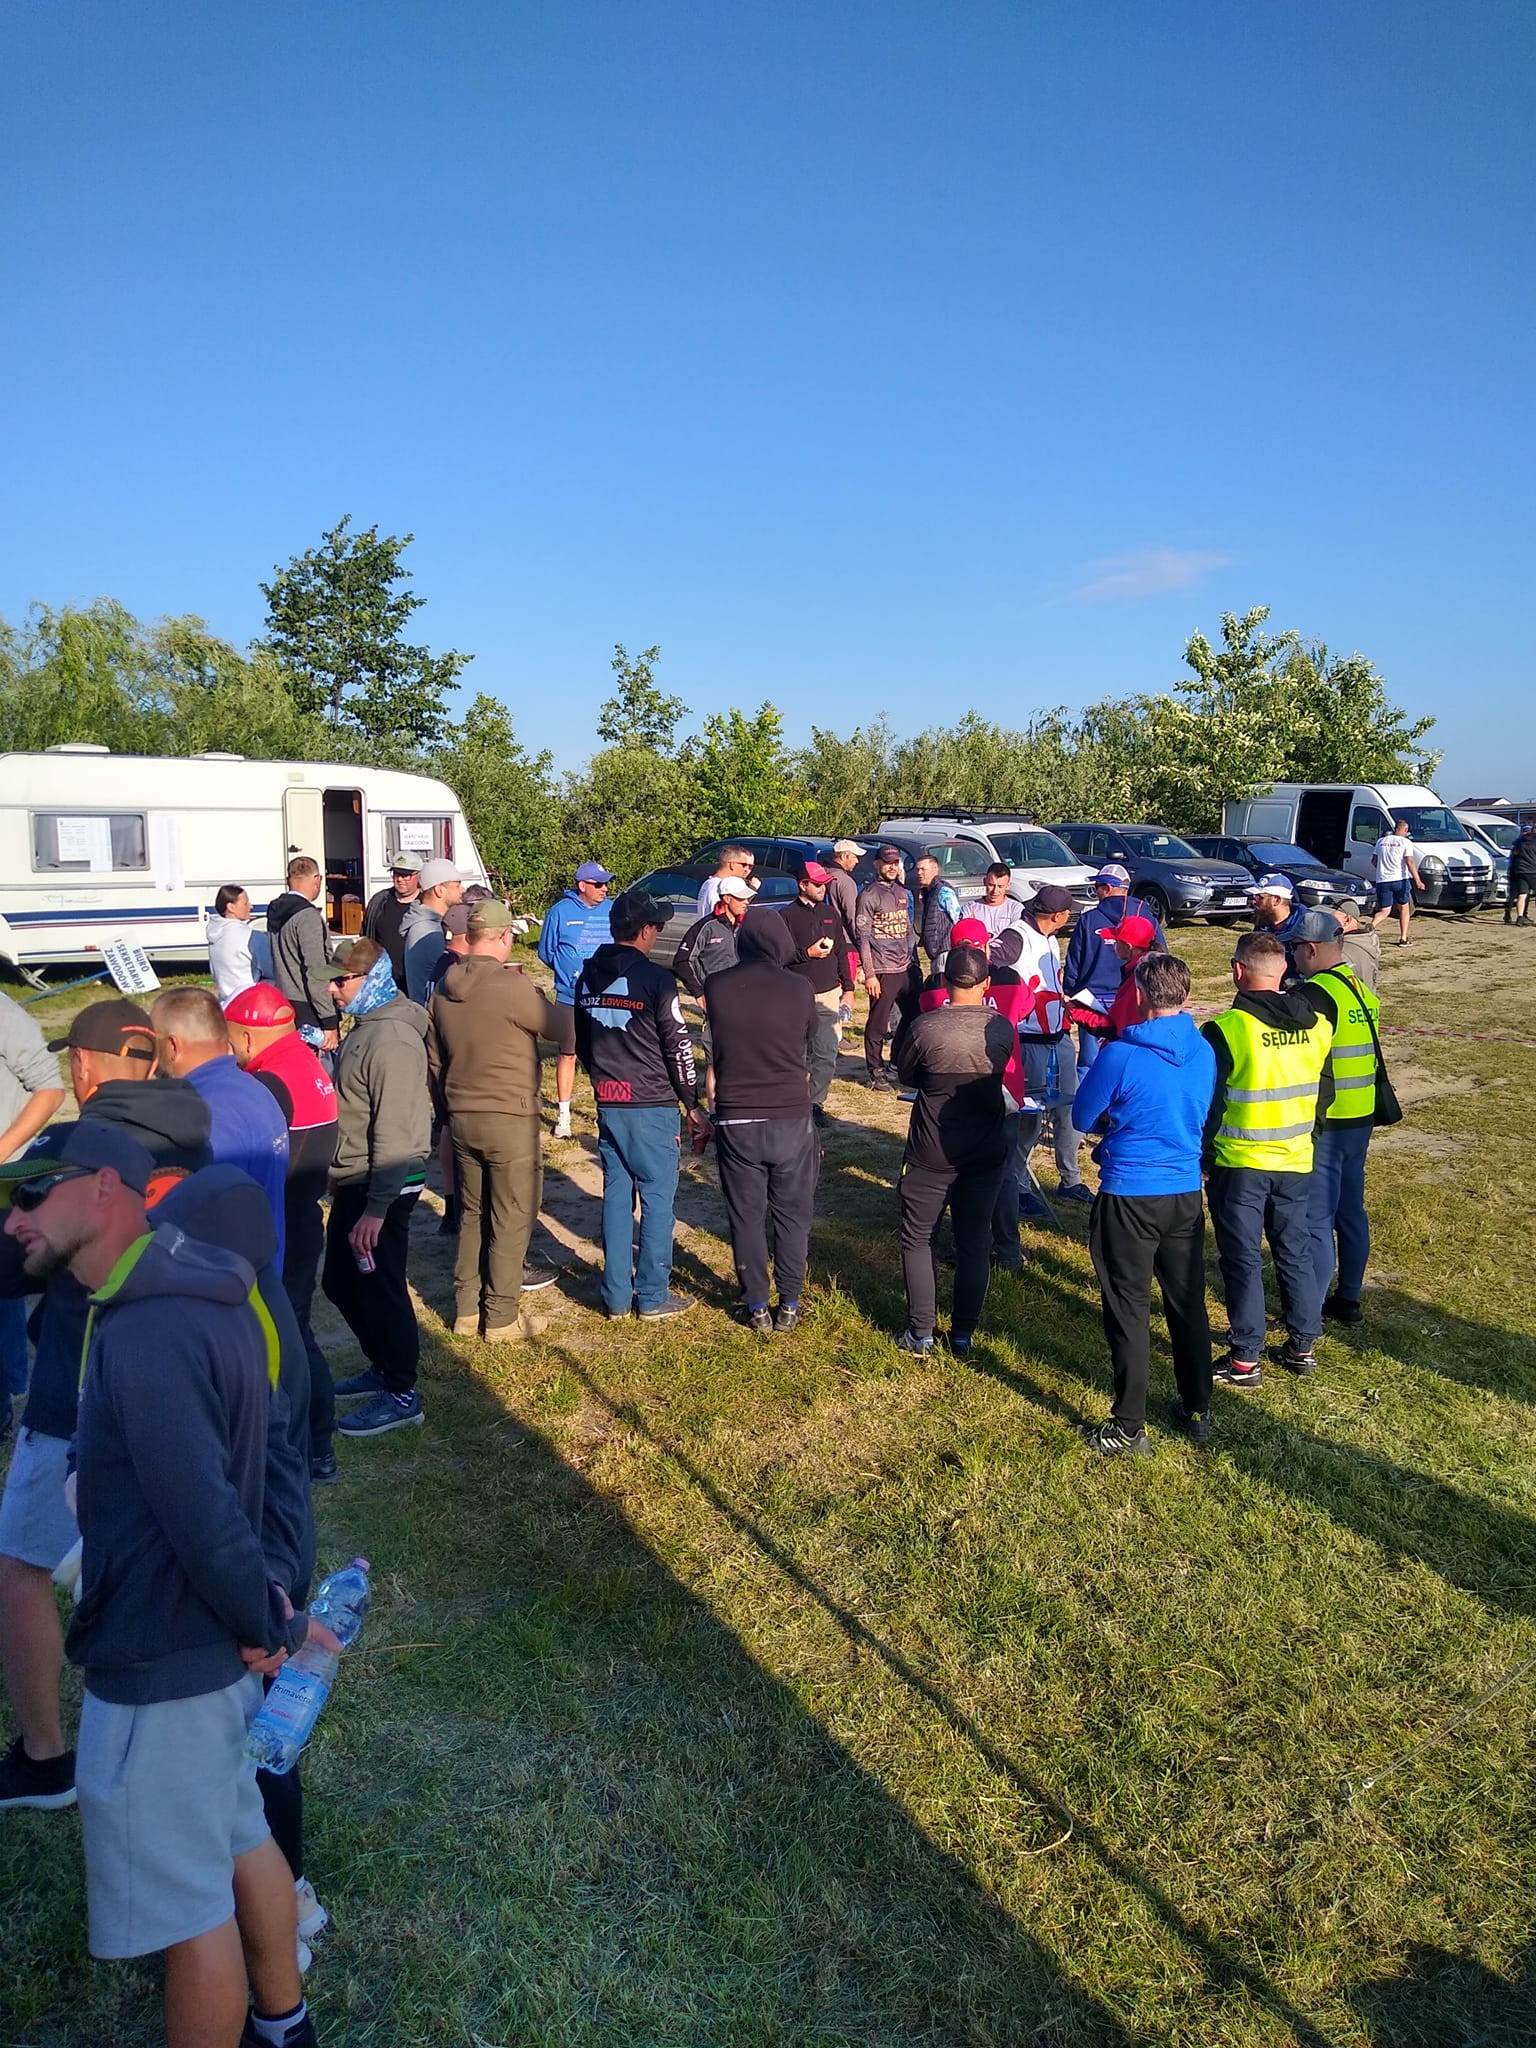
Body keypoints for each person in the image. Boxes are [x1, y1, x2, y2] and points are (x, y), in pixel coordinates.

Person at [0, 1121, 331, 2048]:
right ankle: (284, 2024)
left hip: (161, 1660)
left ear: (107, 1187)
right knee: (239, 1835)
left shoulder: (145, 1329)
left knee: (190, 1915)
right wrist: (267, 1608)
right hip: (211, 1656)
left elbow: (202, 1513)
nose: (14, 1218)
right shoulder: (206, 1291)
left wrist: (265, 1619)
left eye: (34, 1193)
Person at [0, 1002, 211, 1815]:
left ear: (84, 1067)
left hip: (78, 1389)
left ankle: (45, 1757)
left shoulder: (76, 1151)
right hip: (181, 1376)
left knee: (19, 1570)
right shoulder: (196, 1124)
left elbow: (17, 1261)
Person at [1071, 953, 1217, 1457]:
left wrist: (1116, 1118)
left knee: (1128, 1308)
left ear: (1137, 996)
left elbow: (1082, 1116)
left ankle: (1130, 1425)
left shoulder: (1120, 1055)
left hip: (1130, 1192)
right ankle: (1197, 1406)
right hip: (1183, 1192)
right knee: (1186, 1301)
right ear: (1186, 995)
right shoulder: (1203, 1050)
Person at [428, 900, 572, 1343]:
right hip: (509, 1115)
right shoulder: (512, 987)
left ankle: (466, 1310)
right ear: (505, 937)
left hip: (461, 1114)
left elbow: (434, 1060)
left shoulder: (443, 988)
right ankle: (502, 1317)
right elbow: (562, 1029)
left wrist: (448, 1107)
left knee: (472, 1213)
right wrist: (538, 996)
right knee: (511, 1214)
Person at [1202, 930, 1334, 1387]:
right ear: (1284, 971)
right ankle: (1302, 1347)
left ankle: (1245, 1359)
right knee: (1294, 1252)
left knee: (1241, 1260)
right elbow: (1324, 1093)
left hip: (1240, 1163)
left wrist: (1205, 1158)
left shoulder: (1226, 1030)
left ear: (1238, 971)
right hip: (1295, 1159)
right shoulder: (1318, 1025)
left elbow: (1211, 1104)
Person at [574, 889, 710, 1321]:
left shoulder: (586, 976)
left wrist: (602, 1081)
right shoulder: (657, 980)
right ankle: (651, 1295)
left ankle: (616, 1296)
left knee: (616, 1197)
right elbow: (678, 1046)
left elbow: (582, 1041)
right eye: (657, 926)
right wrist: (691, 1103)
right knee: (656, 1198)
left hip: (609, 1100)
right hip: (651, 1104)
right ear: (646, 931)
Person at [225, 984, 340, 1484]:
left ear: (249, 1038)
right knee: (296, 1332)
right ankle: (316, 1444)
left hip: (282, 1223)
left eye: (231, 1040)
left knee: (287, 1339)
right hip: (304, 1213)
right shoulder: (306, 1062)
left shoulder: (267, 1083)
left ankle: (311, 1445)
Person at [322, 938, 432, 1437]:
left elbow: (396, 1128)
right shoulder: (366, 1024)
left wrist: (378, 1207)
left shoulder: (392, 1041)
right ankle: (383, 1366)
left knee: (380, 1287)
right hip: (358, 1176)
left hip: (384, 1182)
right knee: (340, 1283)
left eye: (341, 980)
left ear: (372, 979)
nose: (332, 989)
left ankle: (402, 1393)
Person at [892, 944, 1015, 1357]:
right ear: (986, 984)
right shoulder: (1001, 1028)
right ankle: (962, 1334)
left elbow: (906, 1073)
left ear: (944, 982)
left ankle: (920, 1332)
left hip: (931, 1149)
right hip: (985, 1147)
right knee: (975, 1240)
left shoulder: (924, 1028)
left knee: (918, 1238)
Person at [704, 910, 819, 1333]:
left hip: (736, 1116)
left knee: (746, 1215)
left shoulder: (716, 986)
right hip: (790, 1113)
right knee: (793, 1214)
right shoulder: (800, 987)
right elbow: (809, 1037)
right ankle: (789, 1303)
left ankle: (755, 1304)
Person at [151, 988, 290, 1265]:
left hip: (227, 1278)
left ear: (172, 1046)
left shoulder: (206, 1116)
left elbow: (208, 1216)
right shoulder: (255, 1089)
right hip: (261, 1271)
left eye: (154, 1042)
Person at [1292, 909, 1382, 1330]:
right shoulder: (1357, 986)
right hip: (1360, 1113)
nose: (1292, 956)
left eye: (1295, 948)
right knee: (1350, 1210)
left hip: (1327, 1119)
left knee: (1316, 1219)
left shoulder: (1314, 995)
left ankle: (1307, 1315)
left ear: (1311, 949)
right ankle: (1348, 1298)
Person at [0, 988, 66, 1435]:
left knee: (4, 1288)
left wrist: (2, 1153)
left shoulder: (3, 1012)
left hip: (5, 1178)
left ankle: (8, 1394)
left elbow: (50, 1089)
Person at [1011, 885, 1088, 1205]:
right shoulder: (1016, 936)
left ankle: (1071, 1179)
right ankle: (1018, 1185)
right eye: (1069, 911)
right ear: (1058, 915)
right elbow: (994, 958)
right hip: (1030, 1043)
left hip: (1059, 1039)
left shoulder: (1051, 939)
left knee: (1070, 1110)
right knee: (1029, 1118)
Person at [1061, 864, 1167, 1071]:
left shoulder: (1088, 919)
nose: (1095, 892)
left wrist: (1070, 994)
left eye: (1097, 887)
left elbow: (1074, 960)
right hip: (1135, 998)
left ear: (1107, 889)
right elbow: (1163, 957)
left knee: (1089, 1063)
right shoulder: (1147, 917)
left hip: (1092, 998)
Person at [537, 861, 615, 1139]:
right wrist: (567, 972)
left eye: (606, 884)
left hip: (605, 998)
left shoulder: (612, 909)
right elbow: (546, 952)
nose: (604, 889)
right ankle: (564, 1117)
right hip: (570, 997)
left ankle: (606, 1112)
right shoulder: (559, 912)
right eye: (599, 884)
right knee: (568, 1053)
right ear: (582, 885)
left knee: (606, 1056)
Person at [780, 860, 856, 1129]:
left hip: (829, 994)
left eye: (825, 883)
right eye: (818, 884)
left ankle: (816, 1103)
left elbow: (841, 952)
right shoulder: (785, 916)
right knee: (796, 1053)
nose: (823, 888)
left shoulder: (830, 913)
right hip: (796, 994)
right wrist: (807, 953)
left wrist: (848, 988)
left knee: (826, 1052)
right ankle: (795, 1102)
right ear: (803, 885)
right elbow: (779, 956)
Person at [673, 877, 751, 1107]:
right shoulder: (705, 927)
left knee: (744, 1056)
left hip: (745, 1001)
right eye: (741, 898)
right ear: (726, 899)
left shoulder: (746, 925)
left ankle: (740, 1106)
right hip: (717, 1003)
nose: (746, 902)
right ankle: (716, 1111)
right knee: (716, 1060)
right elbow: (682, 961)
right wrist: (699, 993)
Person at [856, 845, 921, 1092]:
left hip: (906, 967)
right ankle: (875, 1072)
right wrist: (870, 974)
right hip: (883, 969)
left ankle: (897, 1062)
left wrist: (914, 962)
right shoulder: (868, 895)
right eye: (887, 863)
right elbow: (862, 938)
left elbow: (908, 930)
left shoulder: (902, 892)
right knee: (878, 1024)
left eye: (896, 863)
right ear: (877, 864)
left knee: (915, 1017)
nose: (892, 867)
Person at [267, 858, 340, 1056]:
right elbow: (317, 972)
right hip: (310, 1008)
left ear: (287, 880)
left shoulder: (275, 912)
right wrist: (329, 1020)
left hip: (284, 1002)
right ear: (317, 879)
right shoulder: (307, 916)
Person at [400, 858, 465, 1003]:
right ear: (439, 890)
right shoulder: (428, 932)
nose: (463, 890)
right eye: (457, 885)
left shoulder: (427, 925)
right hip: (430, 1010)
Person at [207, 885, 274, 1006]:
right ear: (231, 907)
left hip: (225, 1004)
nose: (251, 906)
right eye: (245, 903)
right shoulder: (251, 937)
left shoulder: (214, 935)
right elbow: (273, 970)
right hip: (251, 1005)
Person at [362, 853, 423, 985]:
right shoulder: (379, 901)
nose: (399, 879)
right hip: (381, 981)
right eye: (396, 874)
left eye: (405, 875)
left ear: (418, 875)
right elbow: (366, 936)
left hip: (415, 981)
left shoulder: (426, 904)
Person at [1371, 817, 1423, 946]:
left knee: (1385, 911)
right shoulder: (1406, 842)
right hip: (1400, 879)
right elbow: (1410, 861)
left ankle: (1371, 925)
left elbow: (1374, 861)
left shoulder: (1381, 841)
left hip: (1383, 880)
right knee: (1404, 908)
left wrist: (1382, 869)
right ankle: (1403, 938)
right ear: (1405, 830)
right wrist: (1418, 880)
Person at [825, 840, 865, 992]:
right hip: (846, 945)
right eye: (854, 856)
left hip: (825, 942)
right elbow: (852, 917)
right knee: (845, 992)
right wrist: (862, 945)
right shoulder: (845, 882)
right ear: (844, 856)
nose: (857, 861)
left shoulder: (822, 876)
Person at [913, 854, 961, 970]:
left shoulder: (944, 892)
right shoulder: (927, 891)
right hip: (935, 954)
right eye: (918, 869)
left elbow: (958, 920)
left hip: (945, 953)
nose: (919, 873)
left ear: (935, 870)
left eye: (923, 869)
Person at [1331, 897, 1381, 991]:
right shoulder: (1364, 941)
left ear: (1347, 920)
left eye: (1329, 917)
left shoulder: (1343, 953)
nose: (1323, 921)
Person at [697, 845, 755, 918]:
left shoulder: (709, 882)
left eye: (751, 867)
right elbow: (720, 916)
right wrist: (752, 888)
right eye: (744, 865)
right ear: (731, 865)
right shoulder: (718, 886)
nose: (747, 870)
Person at [974, 863, 1023, 941]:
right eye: (991, 885)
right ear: (984, 882)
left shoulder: (1016, 909)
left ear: (1008, 886)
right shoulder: (970, 908)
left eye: (1000, 886)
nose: (995, 890)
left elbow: (1017, 937)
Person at [1508, 821, 1536, 926]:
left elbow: (1513, 857)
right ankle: (1522, 916)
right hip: (1533, 871)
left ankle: (1519, 918)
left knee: (1522, 894)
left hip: (1520, 871)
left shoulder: (1518, 843)